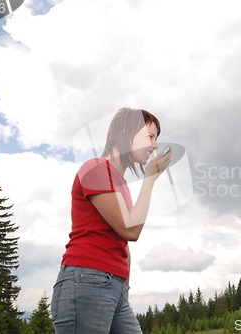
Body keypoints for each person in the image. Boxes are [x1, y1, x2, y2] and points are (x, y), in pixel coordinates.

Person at [51, 107, 172, 334]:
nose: (154, 146)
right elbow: (130, 230)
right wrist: (149, 180)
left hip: (113, 285)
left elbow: (122, 243)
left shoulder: (121, 183)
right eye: (150, 136)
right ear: (127, 131)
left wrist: (124, 286)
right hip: (87, 279)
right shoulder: (95, 169)